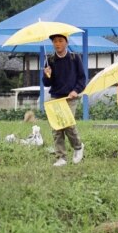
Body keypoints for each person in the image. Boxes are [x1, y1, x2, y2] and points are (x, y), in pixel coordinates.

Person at [43, 34, 85, 167]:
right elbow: (46, 83)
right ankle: (61, 157)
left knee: (68, 124)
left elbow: (82, 79)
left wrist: (75, 90)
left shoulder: (74, 58)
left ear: (66, 42)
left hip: (70, 97)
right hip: (55, 97)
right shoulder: (49, 60)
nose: (57, 44)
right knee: (56, 128)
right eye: (55, 41)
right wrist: (47, 75)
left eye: (60, 41)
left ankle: (78, 147)